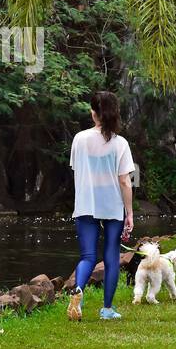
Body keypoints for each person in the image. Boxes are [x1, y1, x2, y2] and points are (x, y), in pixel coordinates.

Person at [67, 91, 135, 321]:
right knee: (111, 256)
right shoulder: (120, 143)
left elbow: (78, 170)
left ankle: (78, 291)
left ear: (94, 113)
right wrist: (130, 212)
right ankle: (107, 309)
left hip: (86, 203)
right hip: (112, 205)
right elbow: (124, 180)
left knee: (87, 256)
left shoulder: (80, 138)